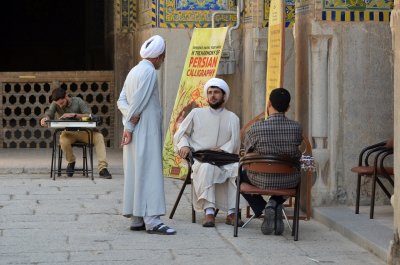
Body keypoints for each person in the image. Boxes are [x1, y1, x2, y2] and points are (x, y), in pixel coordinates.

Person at [117, 35, 176, 235]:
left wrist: (128, 122)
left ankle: (137, 217)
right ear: (159, 56)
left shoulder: (134, 70)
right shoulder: (149, 72)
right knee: (149, 171)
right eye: (164, 55)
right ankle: (152, 220)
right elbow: (138, 103)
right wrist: (130, 127)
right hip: (144, 130)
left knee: (136, 171)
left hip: (134, 128)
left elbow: (121, 101)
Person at [174, 77, 244, 228]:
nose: (212, 96)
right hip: (202, 158)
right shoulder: (196, 113)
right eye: (210, 92)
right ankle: (209, 212)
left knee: (236, 170)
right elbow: (181, 134)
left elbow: (235, 142)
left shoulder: (232, 117)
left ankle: (232, 213)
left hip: (225, 158)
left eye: (216, 92)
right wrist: (184, 145)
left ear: (224, 96)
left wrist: (222, 149)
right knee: (207, 168)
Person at [242, 87, 302, 235]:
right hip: (288, 180)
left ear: (269, 104)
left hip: (259, 179)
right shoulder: (296, 128)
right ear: (288, 107)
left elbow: (245, 150)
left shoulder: (256, 128)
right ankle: (274, 203)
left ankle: (264, 209)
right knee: (295, 178)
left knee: (239, 178)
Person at [40, 87, 112, 179]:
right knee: (63, 140)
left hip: (84, 132)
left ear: (66, 96)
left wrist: (74, 115)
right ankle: (71, 161)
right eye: (59, 104)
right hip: (69, 133)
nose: (60, 106)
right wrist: (45, 119)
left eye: (62, 103)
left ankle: (103, 168)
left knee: (99, 136)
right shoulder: (55, 103)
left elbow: (89, 115)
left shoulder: (78, 101)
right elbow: (49, 113)